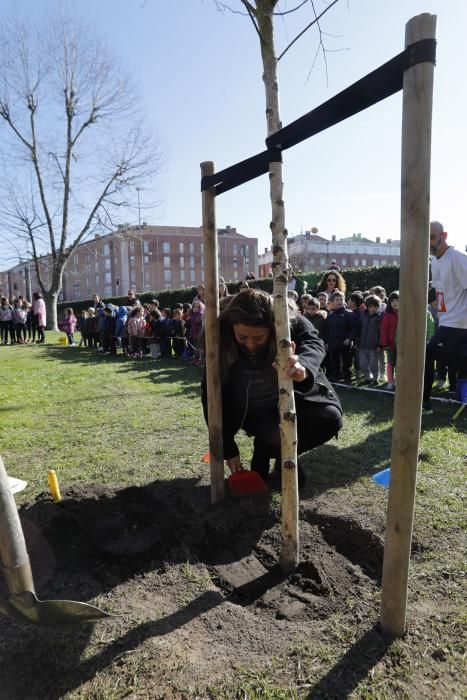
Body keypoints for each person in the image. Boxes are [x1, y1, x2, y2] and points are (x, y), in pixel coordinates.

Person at [201, 288, 343, 484]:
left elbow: (313, 342)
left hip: (296, 400)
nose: (250, 345)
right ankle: (268, 449)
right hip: (256, 410)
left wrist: (303, 368)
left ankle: (277, 455)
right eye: (242, 337)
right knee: (271, 434)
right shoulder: (220, 335)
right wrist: (227, 448)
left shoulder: (288, 322)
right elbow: (211, 397)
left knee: (330, 418)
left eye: (258, 338)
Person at [422, 221, 467, 414]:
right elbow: (437, 291)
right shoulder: (435, 261)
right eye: (426, 239)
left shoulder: (457, 258)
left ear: (444, 235)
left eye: (432, 237)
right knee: (459, 364)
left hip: (459, 324)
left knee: (427, 354)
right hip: (446, 321)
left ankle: (424, 402)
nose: (429, 243)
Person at [324, 291, 354, 383]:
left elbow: (354, 328)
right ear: (332, 302)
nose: (339, 301)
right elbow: (327, 330)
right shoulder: (330, 315)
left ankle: (347, 378)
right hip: (333, 343)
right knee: (334, 361)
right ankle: (335, 377)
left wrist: (349, 338)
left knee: (346, 362)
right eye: (337, 300)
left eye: (341, 299)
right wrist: (327, 342)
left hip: (345, 343)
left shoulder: (349, 313)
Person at [357, 294, 382, 386]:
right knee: (363, 364)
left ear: (378, 307)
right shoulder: (363, 316)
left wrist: (379, 345)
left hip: (374, 346)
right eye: (371, 306)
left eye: (375, 306)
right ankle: (367, 378)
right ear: (367, 306)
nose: (373, 309)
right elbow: (358, 328)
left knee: (373, 365)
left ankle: (375, 378)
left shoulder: (379, 317)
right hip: (362, 345)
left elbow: (380, 332)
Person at [379, 291, 399, 391]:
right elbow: (384, 330)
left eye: (397, 300)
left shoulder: (405, 314)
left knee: (400, 363)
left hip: (402, 345)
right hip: (390, 345)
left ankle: (398, 381)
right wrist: (385, 343)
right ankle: (390, 382)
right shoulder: (387, 315)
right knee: (390, 363)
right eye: (392, 301)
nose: (395, 303)